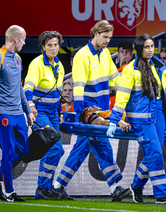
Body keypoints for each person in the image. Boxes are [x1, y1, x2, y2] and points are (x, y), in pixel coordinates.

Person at [53, 20, 130, 202]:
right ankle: (114, 187)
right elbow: (78, 87)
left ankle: (58, 186)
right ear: (95, 34)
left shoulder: (105, 55)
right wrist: (81, 114)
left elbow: (115, 80)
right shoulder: (82, 56)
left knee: (82, 148)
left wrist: (130, 88)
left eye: (110, 38)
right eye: (105, 37)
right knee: (102, 145)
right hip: (88, 110)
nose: (107, 41)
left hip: (100, 108)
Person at [108, 33, 166, 204]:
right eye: (147, 47)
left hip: (158, 116)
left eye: (152, 46)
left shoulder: (159, 67)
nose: (150, 50)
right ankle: (161, 195)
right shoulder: (130, 70)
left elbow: (164, 96)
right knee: (155, 153)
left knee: (153, 153)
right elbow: (121, 98)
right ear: (139, 49)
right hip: (141, 119)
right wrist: (114, 120)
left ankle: (136, 186)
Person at [0, 25, 35, 202]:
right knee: (8, 151)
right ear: (16, 39)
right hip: (2, 113)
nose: (25, 42)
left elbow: (19, 88)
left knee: (23, 150)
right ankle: (8, 191)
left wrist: (28, 111)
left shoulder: (18, 59)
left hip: (18, 113)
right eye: (24, 39)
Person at [23, 31, 65, 199]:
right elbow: (27, 87)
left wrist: (60, 113)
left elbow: (58, 91)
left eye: (55, 45)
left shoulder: (59, 65)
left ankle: (44, 188)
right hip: (39, 113)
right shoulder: (36, 64)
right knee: (55, 148)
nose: (53, 48)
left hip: (53, 114)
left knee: (56, 151)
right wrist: (31, 106)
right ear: (43, 47)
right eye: (49, 45)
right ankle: (42, 188)